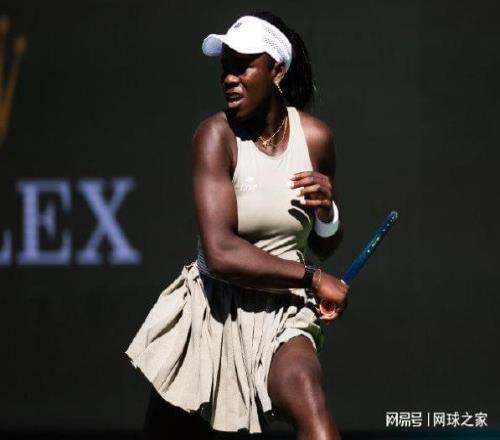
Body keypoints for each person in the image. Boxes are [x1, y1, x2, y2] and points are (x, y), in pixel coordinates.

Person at [125, 11, 349, 440]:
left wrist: (327, 215)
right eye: (226, 67)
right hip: (211, 313)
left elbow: (324, 245)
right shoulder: (214, 137)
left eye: (243, 66)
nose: (230, 77)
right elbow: (221, 253)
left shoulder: (316, 139)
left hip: (284, 315)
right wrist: (313, 278)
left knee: (307, 392)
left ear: (277, 71)